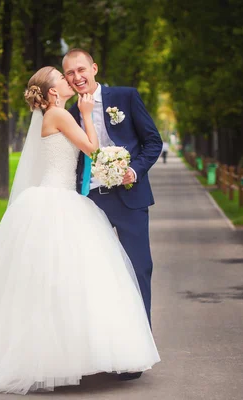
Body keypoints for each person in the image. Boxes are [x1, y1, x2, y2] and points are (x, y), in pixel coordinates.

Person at [0, 67, 160, 394]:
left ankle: (67, 354)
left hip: (61, 197)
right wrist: (86, 113)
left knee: (61, 283)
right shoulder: (61, 115)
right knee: (63, 282)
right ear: (53, 91)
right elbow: (93, 150)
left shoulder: (54, 114)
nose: (68, 80)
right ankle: (55, 357)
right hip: (60, 201)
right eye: (61, 77)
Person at [63, 50, 163, 372]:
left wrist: (134, 170)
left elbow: (152, 142)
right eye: (69, 74)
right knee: (98, 276)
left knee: (139, 270)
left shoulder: (126, 97)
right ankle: (105, 351)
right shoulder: (68, 111)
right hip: (91, 202)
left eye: (81, 69)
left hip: (130, 197)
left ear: (94, 68)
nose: (77, 77)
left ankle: (137, 354)